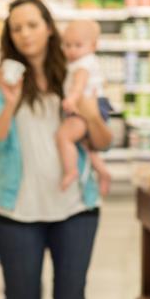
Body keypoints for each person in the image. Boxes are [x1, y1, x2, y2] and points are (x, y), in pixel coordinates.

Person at [0, 0, 113, 299]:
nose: (25, 34)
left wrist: (90, 112)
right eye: (17, 28)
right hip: (16, 212)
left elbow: (104, 140)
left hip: (76, 207)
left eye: (33, 24)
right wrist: (10, 101)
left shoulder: (77, 73)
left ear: (49, 27)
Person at [56, 19, 112, 195]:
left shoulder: (82, 64)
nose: (71, 50)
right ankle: (103, 172)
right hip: (94, 105)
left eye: (78, 45)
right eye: (67, 45)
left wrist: (71, 100)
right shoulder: (87, 61)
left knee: (64, 136)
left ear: (93, 45)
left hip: (85, 107)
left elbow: (79, 85)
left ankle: (71, 170)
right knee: (87, 145)